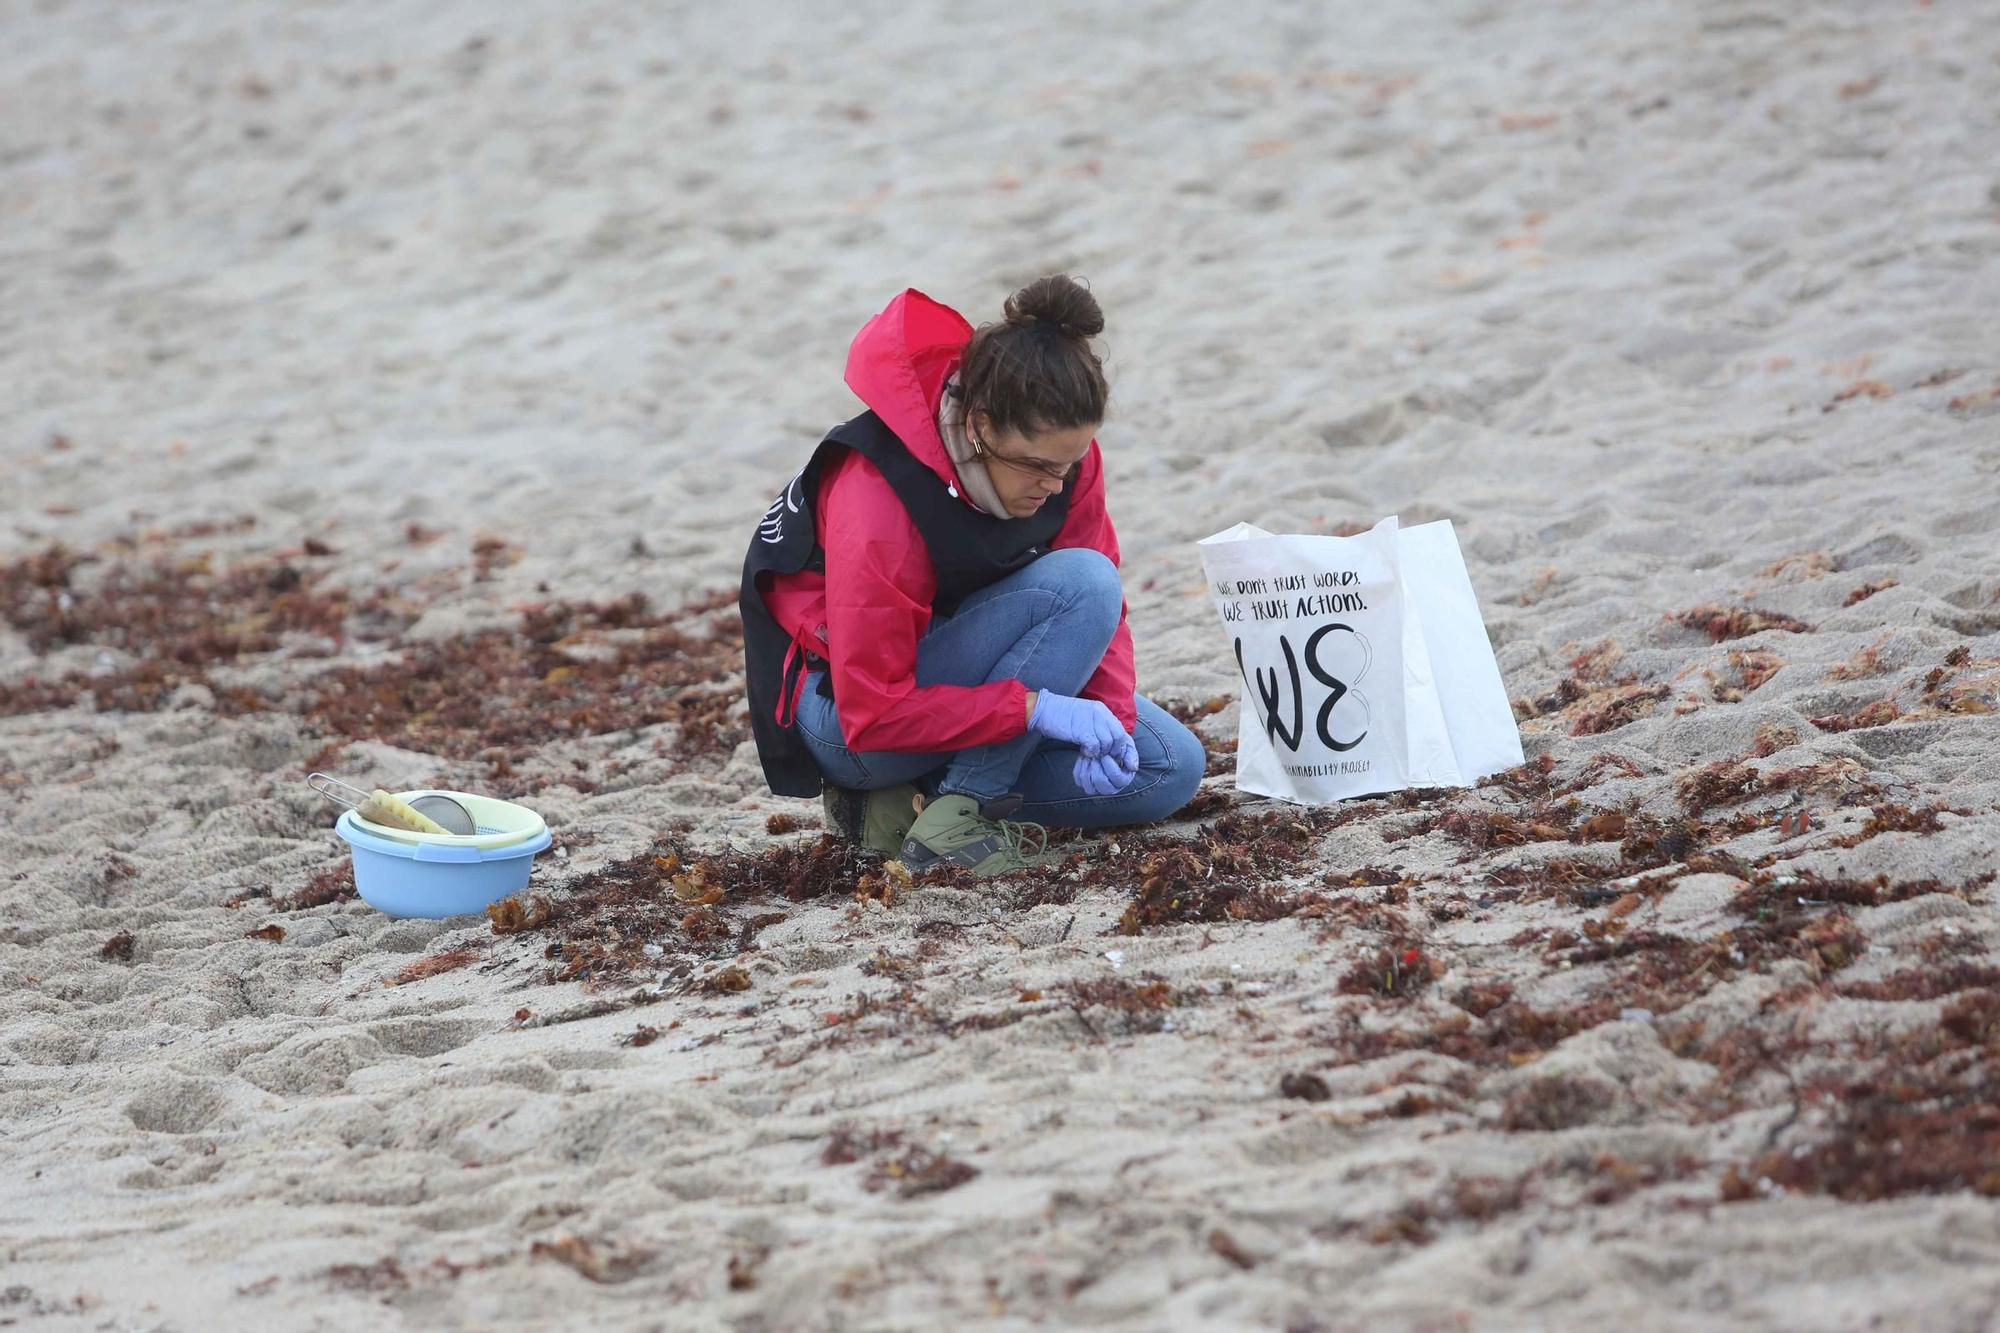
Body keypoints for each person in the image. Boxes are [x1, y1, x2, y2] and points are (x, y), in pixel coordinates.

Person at [739, 275, 1204, 876]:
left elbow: (1104, 621)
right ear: (980, 425)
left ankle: (905, 805)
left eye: (1069, 464)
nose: (1055, 485)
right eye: (1038, 466)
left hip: (959, 686)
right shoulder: (879, 498)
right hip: (852, 729)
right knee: (1082, 583)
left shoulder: (1062, 461)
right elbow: (872, 713)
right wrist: (1034, 710)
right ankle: (959, 814)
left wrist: (1110, 717)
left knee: (1169, 767)